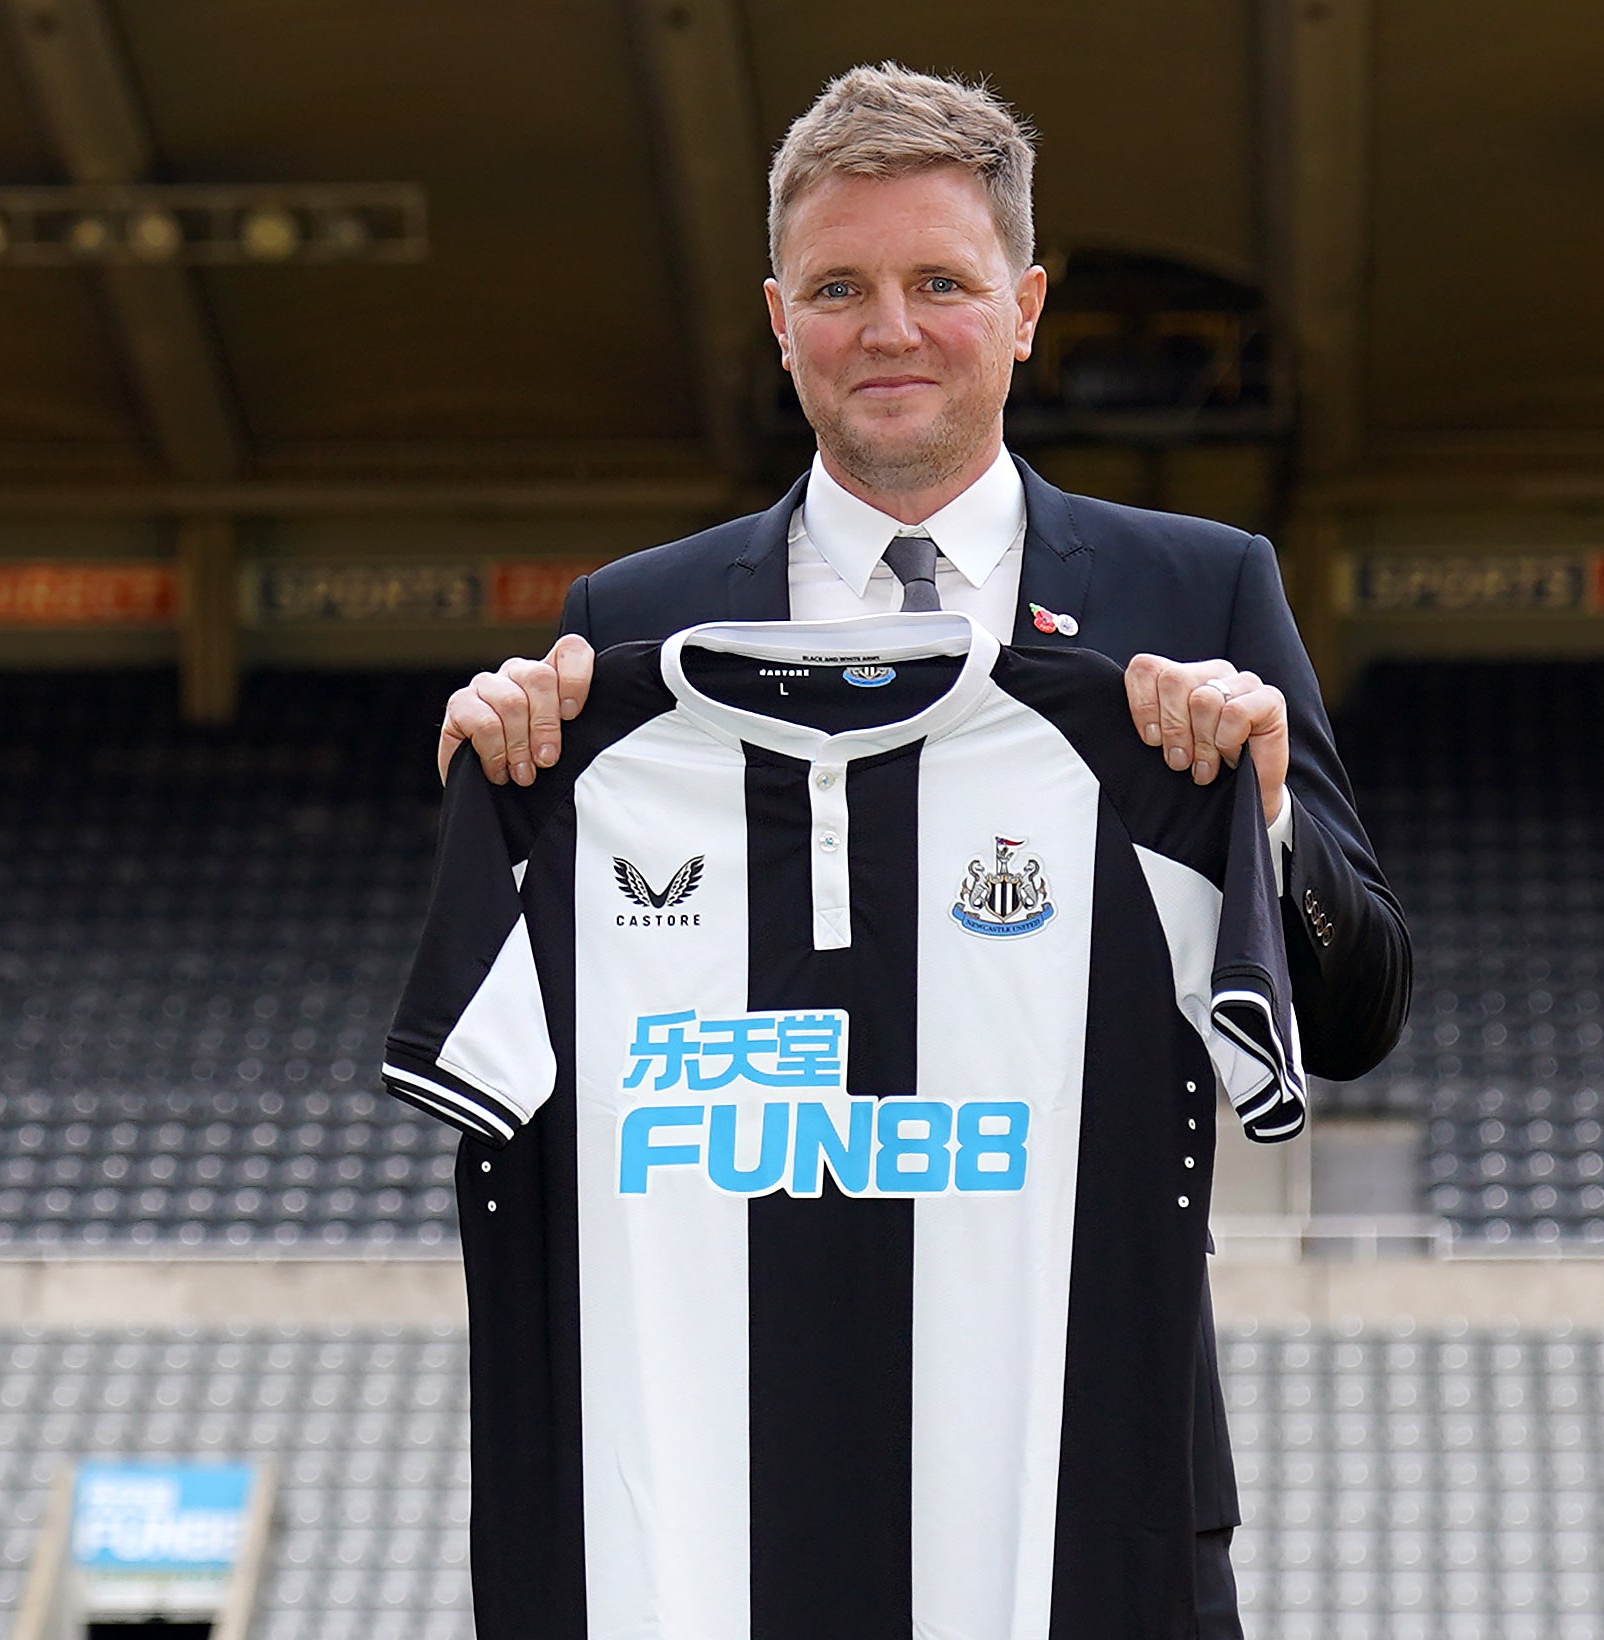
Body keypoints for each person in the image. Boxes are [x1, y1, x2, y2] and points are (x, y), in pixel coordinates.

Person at [435, 62, 1412, 1639]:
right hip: (725, 1510)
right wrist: (510, 757)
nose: (889, 329)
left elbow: (1360, 1015)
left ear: (1024, 306)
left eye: (939, 282)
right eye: (840, 287)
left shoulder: (1200, 590)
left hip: (1086, 1493)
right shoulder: (630, 629)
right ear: (777, 316)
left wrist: (1269, 808)